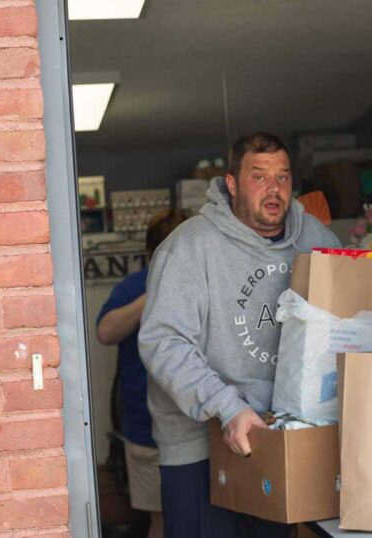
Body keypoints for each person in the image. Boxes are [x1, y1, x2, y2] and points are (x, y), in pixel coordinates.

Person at [139, 132, 340, 538]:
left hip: (280, 437)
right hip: (199, 448)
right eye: (259, 176)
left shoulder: (317, 241)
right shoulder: (190, 248)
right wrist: (226, 406)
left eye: (283, 177)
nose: (274, 189)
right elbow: (163, 341)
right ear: (231, 183)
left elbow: (345, 320)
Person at [97, 211, 184, 538]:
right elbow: (105, 332)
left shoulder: (204, 282)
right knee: (161, 521)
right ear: (154, 255)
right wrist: (152, 295)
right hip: (146, 430)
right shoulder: (133, 287)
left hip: (203, 429)